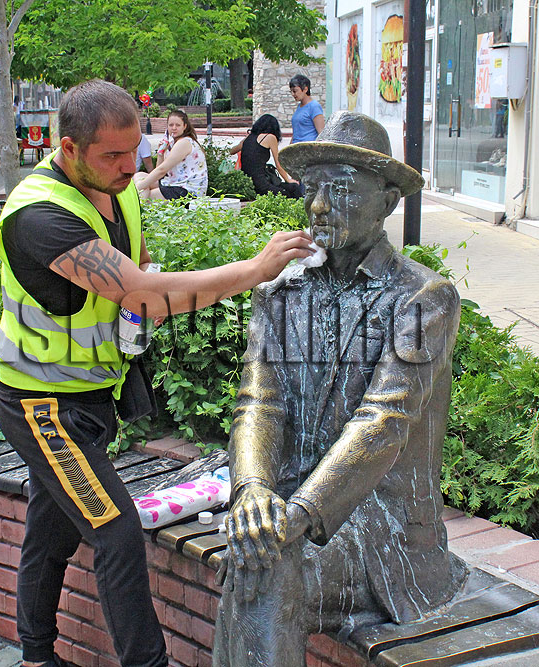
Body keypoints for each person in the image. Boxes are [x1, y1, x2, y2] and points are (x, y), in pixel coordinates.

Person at [0, 79, 312, 667]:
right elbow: (142, 293)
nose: (128, 166)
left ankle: (35, 657)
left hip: (88, 398)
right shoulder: (39, 215)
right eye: (112, 155)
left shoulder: (118, 191)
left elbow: (137, 275)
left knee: (52, 529)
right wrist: (254, 269)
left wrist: (140, 295)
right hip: (42, 407)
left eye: (134, 150)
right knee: (115, 532)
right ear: (68, 148)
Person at [213, 112, 466, 665]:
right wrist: (252, 491)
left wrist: (294, 518)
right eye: (312, 188)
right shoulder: (282, 291)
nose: (319, 206)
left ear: (388, 202)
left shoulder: (422, 299)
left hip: (382, 533)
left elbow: (383, 423)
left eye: (342, 190)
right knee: (256, 559)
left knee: (262, 570)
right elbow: (259, 401)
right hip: (293, 510)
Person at [133, 109, 207, 199]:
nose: (174, 128)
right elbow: (160, 170)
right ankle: (139, 202)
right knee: (139, 175)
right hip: (174, 183)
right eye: (171, 125)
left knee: (148, 195)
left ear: (185, 126)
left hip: (188, 191)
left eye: (178, 125)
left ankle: (139, 204)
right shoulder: (172, 143)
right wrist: (161, 153)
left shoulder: (184, 142)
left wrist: (138, 187)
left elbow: (162, 170)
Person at [229, 114, 301, 198]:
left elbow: (231, 151)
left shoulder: (248, 138)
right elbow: (278, 164)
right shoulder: (270, 137)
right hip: (261, 185)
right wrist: (288, 179)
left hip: (249, 183)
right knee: (293, 189)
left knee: (287, 189)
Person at [288, 73, 325, 143]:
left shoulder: (314, 106)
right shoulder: (299, 107)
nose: (293, 94)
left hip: (308, 147)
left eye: (295, 91)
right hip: (296, 146)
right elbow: (296, 133)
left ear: (305, 89)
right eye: (291, 91)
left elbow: (321, 133)